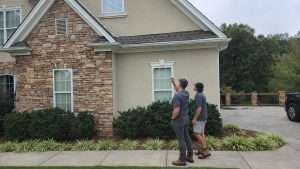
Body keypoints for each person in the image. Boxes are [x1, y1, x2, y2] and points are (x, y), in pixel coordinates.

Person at [170, 77, 194, 166]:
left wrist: (172, 118)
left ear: (180, 84)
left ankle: (182, 159)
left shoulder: (177, 96)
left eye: (178, 82)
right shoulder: (186, 93)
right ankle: (190, 156)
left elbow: (176, 110)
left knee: (181, 140)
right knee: (187, 137)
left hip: (179, 120)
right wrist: (173, 82)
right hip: (186, 119)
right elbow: (178, 89)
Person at [192, 82, 211, 159]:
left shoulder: (198, 95)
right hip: (204, 117)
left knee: (196, 133)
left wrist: (195, 118)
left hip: (200, 118)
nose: (193, 87)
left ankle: (205, 151)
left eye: (194, 86)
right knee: (201, 134)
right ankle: (201, 150)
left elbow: (199, 108)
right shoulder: (202, 94)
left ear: (197, 87)